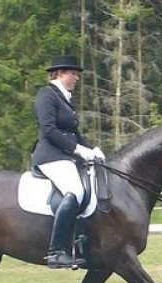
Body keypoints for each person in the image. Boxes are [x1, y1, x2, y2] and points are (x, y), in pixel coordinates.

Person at [31, 54, 105, 269]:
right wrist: (78, 150)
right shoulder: (47, 94)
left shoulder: (65, 98)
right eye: (73, 74)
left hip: (65, 156)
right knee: (76, 191)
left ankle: (81, 243)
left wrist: (91, 149)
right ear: (61, 73)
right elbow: (49, 129)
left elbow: (73, 132)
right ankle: (56, 252)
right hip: (50, 156)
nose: (77, 78)